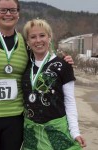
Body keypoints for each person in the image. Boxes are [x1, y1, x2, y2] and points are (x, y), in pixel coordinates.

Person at [0, 0, 74, 150]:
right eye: (3, 10)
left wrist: (64, 62)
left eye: (13, 10)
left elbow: (43, 63)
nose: (8, 14)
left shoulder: (25, 43)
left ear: (18, 14)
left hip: (15, 119)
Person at [22, 19, 86, 150]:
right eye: (33, 37)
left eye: (42, 35)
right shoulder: (25, 65)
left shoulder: (63, 65)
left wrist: (75, 132)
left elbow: (69, 101)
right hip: (32, 134)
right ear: (28, 42)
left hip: (56, 131)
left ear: (49, 37)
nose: (38, 40)